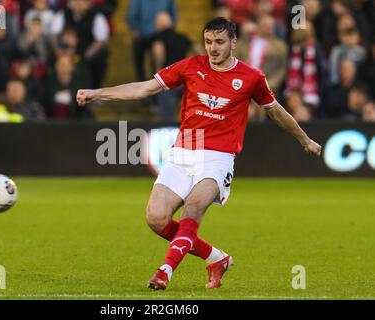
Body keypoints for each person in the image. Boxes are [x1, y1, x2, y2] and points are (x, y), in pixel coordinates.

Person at [76, 18, 322, 290]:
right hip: (183, 151)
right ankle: (216, 258)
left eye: (219, 42)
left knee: (193, 208)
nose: (213, 48)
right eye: (208, 42)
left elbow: (276, 111)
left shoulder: (252, 77)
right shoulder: (191, 66)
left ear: (233, 42)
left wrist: (304, 139)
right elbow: (145, 88)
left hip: (218, 156)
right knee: (156, 219)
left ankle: (165, 271)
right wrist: (98, 93)